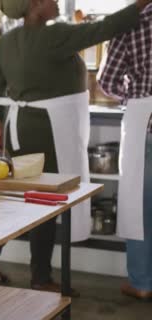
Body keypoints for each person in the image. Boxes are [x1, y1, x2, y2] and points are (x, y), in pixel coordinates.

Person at [0, 0, 152, 294]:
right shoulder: (54, 35)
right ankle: (40, 277)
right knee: (43, 203)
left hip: (19, 127)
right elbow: (104, 28)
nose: (57, 1)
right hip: (47, 129)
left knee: (24, 201)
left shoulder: (7, 41)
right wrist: (140, 4)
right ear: (35, 5)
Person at [98, 2, 152, 300]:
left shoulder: (130, 24)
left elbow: (106, 80)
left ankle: (142, 282)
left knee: (140, 204)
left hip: (144, 119)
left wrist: (130, 93)